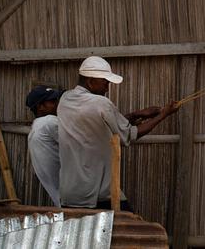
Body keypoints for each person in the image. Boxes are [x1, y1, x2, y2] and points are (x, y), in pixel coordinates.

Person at [57, 56, 180, 210]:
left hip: (70, 192)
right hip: (97, 193)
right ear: (90, 81)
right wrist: (164, 114)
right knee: (130, 227)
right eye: (105, 83)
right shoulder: (101, 103)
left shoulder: (65, 99)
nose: (107, 88)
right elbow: (129, 135)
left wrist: (136, 115)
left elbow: (101, 122)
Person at [26, 85, 64, 207]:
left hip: (60, 198)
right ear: (40, 107)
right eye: (52, 102)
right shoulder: (49, 121)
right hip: (76, 197)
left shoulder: (36, 127)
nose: (57, 104)